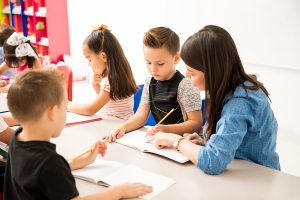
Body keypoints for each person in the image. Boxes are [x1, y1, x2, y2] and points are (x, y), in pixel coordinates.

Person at [148, 25, 280, 175]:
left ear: (212, 72)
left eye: (192, 72)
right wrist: (205, 141)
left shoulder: (241, 102)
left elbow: (213, 162)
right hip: (240, 172)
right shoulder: (229, 87)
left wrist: (176, 141)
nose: (186, 76)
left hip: (259, 180)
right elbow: (233, 138)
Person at [4, 69, 152, 199]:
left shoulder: (18, 139)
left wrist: (85, 160)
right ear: (53, 113)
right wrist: (117, 192)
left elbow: (41, 173)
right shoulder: (50, 163)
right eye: (65, 106)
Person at [106, 27, 202, 142]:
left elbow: (196, 124)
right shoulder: (149, 82)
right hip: (161, 142)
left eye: (160, 64)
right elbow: (141, 116)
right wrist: (123, 127)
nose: (153, 69)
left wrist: (166, 130)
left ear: (176, 58)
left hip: (185, 144)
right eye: (148, 62)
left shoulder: (186, 85)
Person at [67, 25, 138, 120]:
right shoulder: (118, 75)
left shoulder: (111, 81)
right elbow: (110, 102)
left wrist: (67, 105)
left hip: (116, 127)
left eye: (90, 59)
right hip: (118, 124)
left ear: (103, 56)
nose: (89, 64)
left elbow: (90, 109)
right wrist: (96, 86)